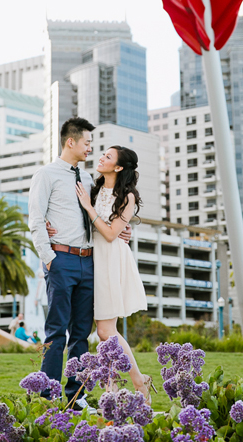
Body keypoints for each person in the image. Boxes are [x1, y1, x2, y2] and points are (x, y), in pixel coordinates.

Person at [27, 117, 132, 409]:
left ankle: (77, 397)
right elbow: (35, 221)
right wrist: (49, 259)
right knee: (56, 330)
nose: (90, 149)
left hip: (90, 263)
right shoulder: (45, 175)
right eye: (87, 143)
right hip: (61, 259)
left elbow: (104, 215)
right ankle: (46, 396)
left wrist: (125, 228)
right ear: (70, 142)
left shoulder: (87, 179)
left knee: (81, 333)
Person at [76, 145, 155, 401]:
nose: (101, 158)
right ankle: (118, 387)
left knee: (105, 331)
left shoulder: (127, 196)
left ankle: (133, 383)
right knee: (106, 331)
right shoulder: (95, 189)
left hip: (111, 260)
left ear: (119, 167)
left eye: (108, 157)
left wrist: (89, 208)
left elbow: (111, 234)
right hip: (94, 259)